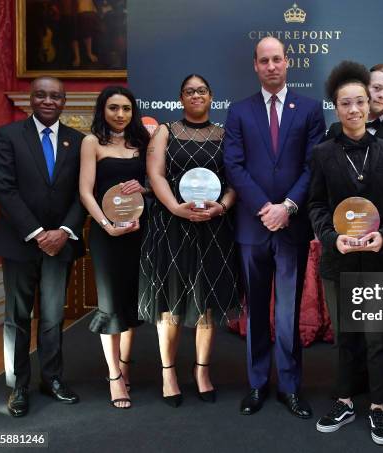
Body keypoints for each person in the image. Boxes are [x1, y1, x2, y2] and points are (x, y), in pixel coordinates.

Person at [224, 36, 325, 418]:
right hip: (252, 227)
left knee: (287, 313)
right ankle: (256, 383)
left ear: (287, 63)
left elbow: (312, 165)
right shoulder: (238, 112)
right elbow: (234, 165)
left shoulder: (311, 109)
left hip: (292, 226)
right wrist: (265, 207)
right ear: (255, 65)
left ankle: (290, 386)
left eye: (277, 59)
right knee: (255, 311)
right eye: (263, 60)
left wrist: (288, 207)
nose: (271, 66)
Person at [309, 61, 383, 446]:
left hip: (380, 258)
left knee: (379, 337)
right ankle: (346, 400)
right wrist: (331, 236)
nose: (353, 109)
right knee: (346, 334)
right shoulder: (322, 154)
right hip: (340, 259)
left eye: (360, 102)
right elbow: (316, 204)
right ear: (335, 108)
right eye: (345, 103)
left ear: (370, 105)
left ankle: (379, 407)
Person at [138, 74, 238, 407]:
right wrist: (175, 208)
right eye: (189, 91)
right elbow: (154, 173)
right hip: (172, 226)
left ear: (211, 97)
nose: (196, 95)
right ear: (181, 97)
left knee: (205, 301)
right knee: (171, 301)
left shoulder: (225, 135)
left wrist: (220, 207)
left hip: (213, 228)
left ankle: (201, 372)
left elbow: (236, 179)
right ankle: (169, 374)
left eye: (202, 91)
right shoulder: (166, 130)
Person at [0, 76, 85, 417]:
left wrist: (63, 231)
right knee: (17, 318)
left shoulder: (78, 141)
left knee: (52, 316)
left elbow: (82, 193)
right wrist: (36, 232)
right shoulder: (8, 136)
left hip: (61, 245)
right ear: (31, 98)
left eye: (55, 96)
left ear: (64, 102)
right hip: (19, 243)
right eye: (41, 95)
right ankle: (18, 387)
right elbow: (3, 189)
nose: (48, 101)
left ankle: (52, 378)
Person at [79, 86, 150, 408]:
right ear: (102, 110)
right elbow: (85, 192)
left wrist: (145, 189)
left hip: (137, 232)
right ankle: (114, 377)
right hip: (106, 235)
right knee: (110, 304)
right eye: (113, 108)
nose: (120, 114)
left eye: (126, 108)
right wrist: (105, 225)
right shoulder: (92, 142)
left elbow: (153, 184)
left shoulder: (141, 143)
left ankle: (124, 365)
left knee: (130, 302)